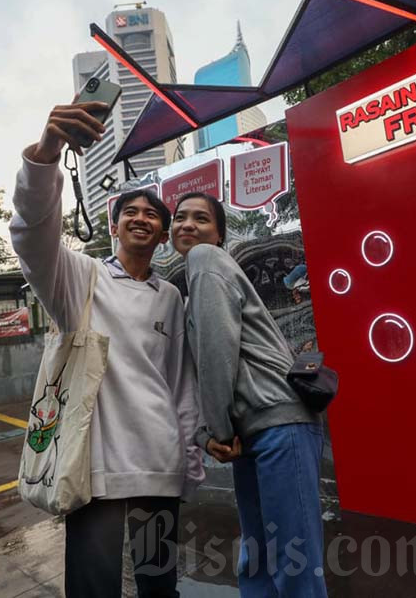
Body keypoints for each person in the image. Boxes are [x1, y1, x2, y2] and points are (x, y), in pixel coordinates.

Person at [10, 99, 203, 598]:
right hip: (92, 467)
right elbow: (32, 236)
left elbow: (179, 383)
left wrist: (189, 452)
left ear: (162, 235)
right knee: (93, 587)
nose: (141, 218)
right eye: (130, 212)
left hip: (160, 461)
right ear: (114, 226)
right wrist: (47, 153)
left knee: (159, 587)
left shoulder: (171, 296)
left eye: (151, 215)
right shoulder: (80, 277)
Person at [170, 191, 327, 598]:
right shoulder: (199, 277)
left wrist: (217, 432)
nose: (188, 224)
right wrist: (213, 432)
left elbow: (217, 350)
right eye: (180, 217)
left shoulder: (206, 261)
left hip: (277, 422)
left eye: (201, 219)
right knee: (258, 558)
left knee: (292, 562)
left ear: (219, 235)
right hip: (255, 429)